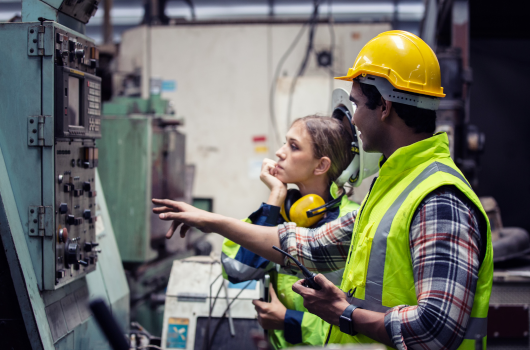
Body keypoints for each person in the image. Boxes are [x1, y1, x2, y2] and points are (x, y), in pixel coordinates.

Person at [153, 30, 493, 350]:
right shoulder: (394, 189)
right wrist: (209, 220)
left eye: (357, 105)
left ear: (386, 107)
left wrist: (344, 314)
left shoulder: (439, 198)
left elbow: (436, 328)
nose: (354, 121)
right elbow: (307, 246)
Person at [222, 115, 361, 349]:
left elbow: (359, 322)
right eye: (285, 143)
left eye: (293, 146)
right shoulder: (282, 213)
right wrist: (275, 199)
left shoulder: (352, 223)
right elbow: (237, 270)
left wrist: (289, 321)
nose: (279, 152)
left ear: (321, 165)